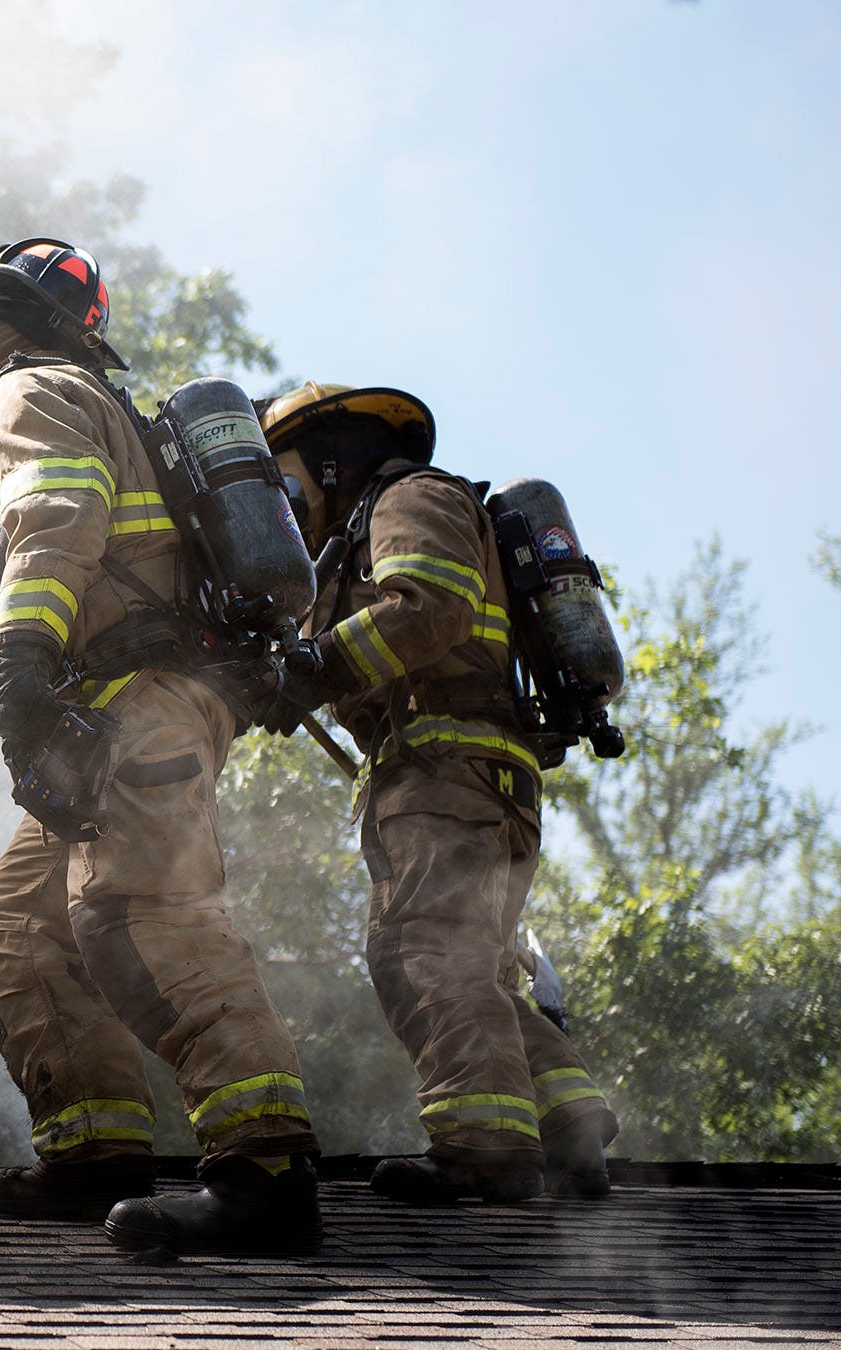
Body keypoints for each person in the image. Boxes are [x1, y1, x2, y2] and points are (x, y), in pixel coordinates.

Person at [0, 241, 323, 1259]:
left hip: (129, 700)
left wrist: (21, 657)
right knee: (25, 927)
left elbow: (59, 521)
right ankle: (96, 1151)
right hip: (106, 710)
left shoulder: (31, 389)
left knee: (143, 915)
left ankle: (267, 1170)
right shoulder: (54, 400)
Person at [261, 381, 619, 1203]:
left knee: (420, 948)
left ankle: (485, 1150)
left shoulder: (408, 497)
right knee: (468, 959)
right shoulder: (352, 541)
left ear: (329, 458)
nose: (284, 507)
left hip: (444, 770)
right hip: (468, 775)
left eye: (286, 481)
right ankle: (569, 1122)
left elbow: (431, 607)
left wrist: (318, 667)